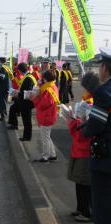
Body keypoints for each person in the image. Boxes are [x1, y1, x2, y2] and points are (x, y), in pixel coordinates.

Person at [62, 72, 99, 223]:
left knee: (85, 182)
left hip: (84, 150)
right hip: (79, 149)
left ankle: (87, 211)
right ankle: (80, 207)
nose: (82, 90)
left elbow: (84, 133)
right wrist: (72, 118)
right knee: (79, 181)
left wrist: (72, 121)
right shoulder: (86, 103)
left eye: (84, 88)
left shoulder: (91, 105)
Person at [82, 48, 111, 223]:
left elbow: (95, 126)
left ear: (105, 68)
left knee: (102, 206)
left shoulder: (103, 92)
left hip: (105, 160)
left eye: (100, 65)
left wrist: (84, 125)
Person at [31, 70, 59, 162]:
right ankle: (52, 154)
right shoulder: (53, 86)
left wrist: (34, 98)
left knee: (45, 138)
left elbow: (43, 104)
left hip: (46, 116)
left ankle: (45, 156)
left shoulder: (47, 89)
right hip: (50, 115)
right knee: (47, 136)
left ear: (45, 79)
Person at [17, 62, 37, 141]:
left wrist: (18, 93)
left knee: (27, 120)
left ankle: (27, 137)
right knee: (26, 120)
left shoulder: (28, 78)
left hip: (27, 102)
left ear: (20, 70)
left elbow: (28, 92)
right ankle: (27, 136)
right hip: (26, 102)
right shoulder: (28, 76)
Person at [0, 57, 10, 121]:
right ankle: (5, 115)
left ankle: (3, 116)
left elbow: (1, 77)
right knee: (5, 101)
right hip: (7, 86)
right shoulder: (7, 67)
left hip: (2, 87)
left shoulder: (3, 68)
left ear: (1, 61)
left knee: (2, 102)